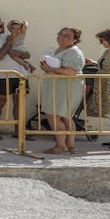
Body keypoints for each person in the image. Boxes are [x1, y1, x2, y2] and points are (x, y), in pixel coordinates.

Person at [39, 27, 86, 155]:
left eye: (66, 35)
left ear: (75, 40)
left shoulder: (73, 52)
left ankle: (61, 145)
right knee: (65, 117)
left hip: (65, 87)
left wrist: (50, 69)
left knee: (53, 115)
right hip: (58, 87)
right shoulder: (57, 50)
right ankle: (70, 146)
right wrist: (46, 67)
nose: (61, 37)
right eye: (60, 34)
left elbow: (70, 71)